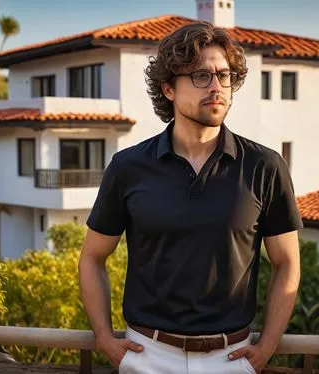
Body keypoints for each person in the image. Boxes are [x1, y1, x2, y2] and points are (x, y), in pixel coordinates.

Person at [79, 21, 303, 374]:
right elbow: (92, 258)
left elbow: (287, 263)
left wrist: (267, 346)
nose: (216, 87)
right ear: (168, 88)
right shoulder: (128, 167)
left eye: (224, 75)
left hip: (233, 358)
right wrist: (105, 339)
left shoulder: (265, 166)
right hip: (147, 355)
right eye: (201, 76)